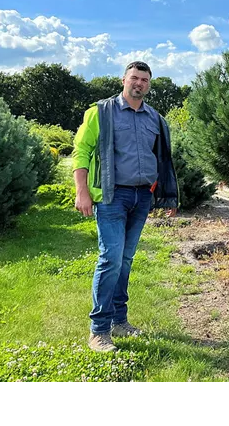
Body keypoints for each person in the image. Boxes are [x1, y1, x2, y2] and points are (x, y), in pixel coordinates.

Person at [72, 61, 179, 353]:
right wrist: (82, 192)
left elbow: (162, 158)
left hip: (141, 197)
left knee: (127, 259)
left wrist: (166, 194)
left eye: (145, 80)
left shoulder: (154, 118)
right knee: (111, 259)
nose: (139, 83)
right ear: (124, 80)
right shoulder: (101, 112)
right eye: (135, 77)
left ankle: (120, 320)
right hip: (111, 197)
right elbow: (81, 150)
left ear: (148, 84)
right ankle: (99, 330)